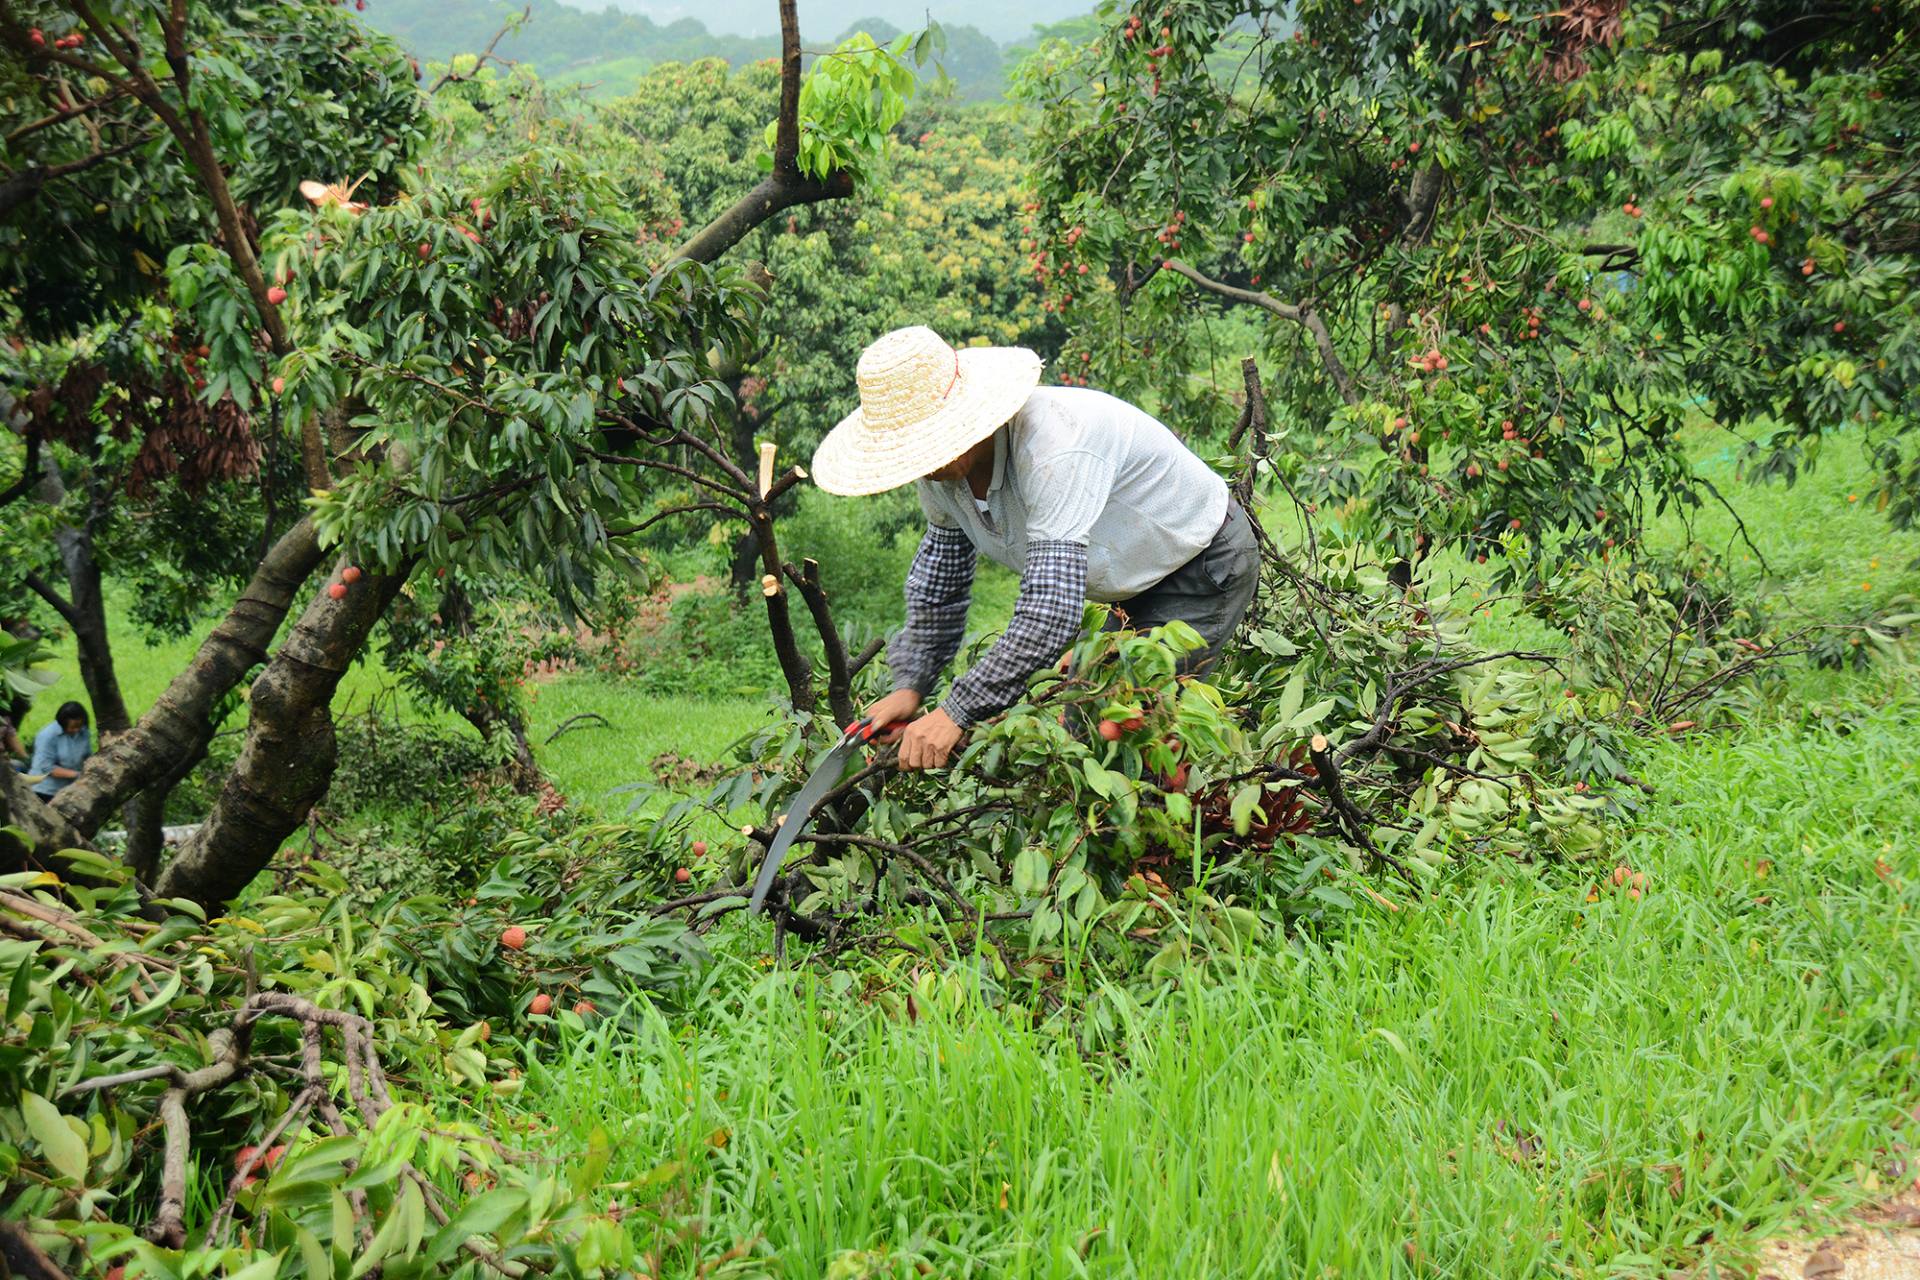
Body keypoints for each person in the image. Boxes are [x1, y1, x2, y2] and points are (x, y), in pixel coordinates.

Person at [811, 325, 1259, 771]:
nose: (927, 464)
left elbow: (1050, 610)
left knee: (1120, 746)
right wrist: (912, 682)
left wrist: (956, 711)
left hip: (1199, 566)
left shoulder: (1054, 448)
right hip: (1126, 582)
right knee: (1086, 726)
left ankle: (1181, 828)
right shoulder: (939, 474)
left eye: (933, 443)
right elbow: (941, 581)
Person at [28, 701, 92, 798]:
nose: (77, 730)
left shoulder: (84, 732)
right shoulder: (47, 736)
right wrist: (79, 775)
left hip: (69, 789)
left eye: (79, 726)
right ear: (62, 724)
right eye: (73, 727)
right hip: (45, 790)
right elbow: (47, 768)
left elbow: (87, 756)